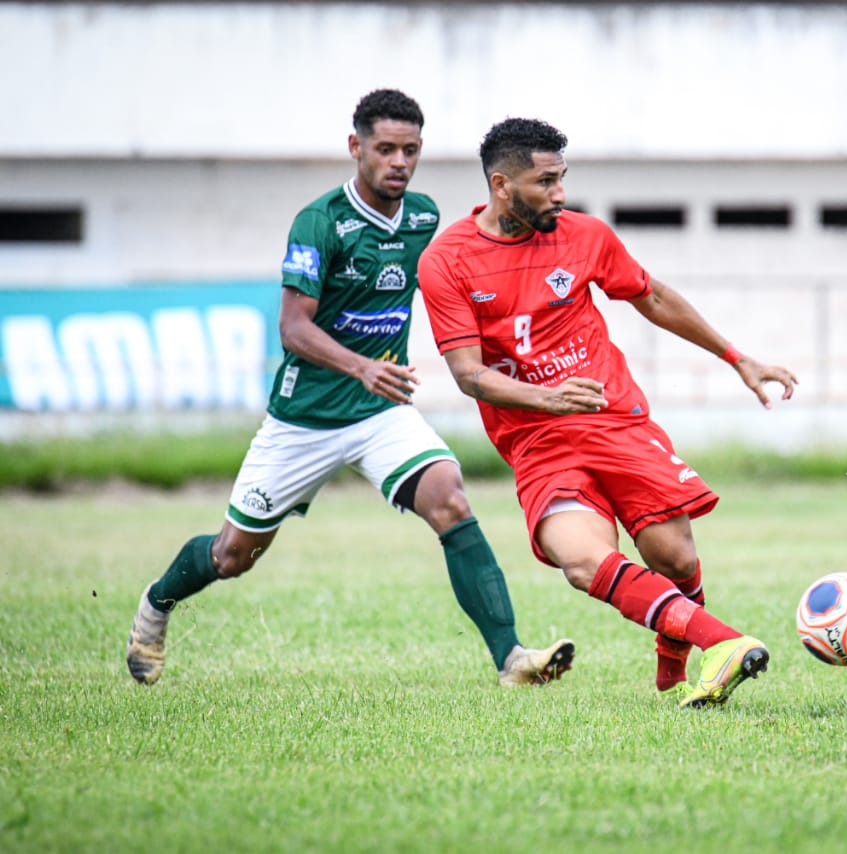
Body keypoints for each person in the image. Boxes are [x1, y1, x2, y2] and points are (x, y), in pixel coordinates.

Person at [126, 90, 573, 688]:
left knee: (450, 499)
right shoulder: (321, 222)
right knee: (231, 556)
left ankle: (511, 658)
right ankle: (155, 606)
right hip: (303, 420)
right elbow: (292, 327)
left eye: (410, 150)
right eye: (385, 148)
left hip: (380, 411)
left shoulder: (423, 218)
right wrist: (361, 365)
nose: (398, 162)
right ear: (355, 147)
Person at [417, 117, 798, 707]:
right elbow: (470, 375)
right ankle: (720, 643)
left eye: (562, 178)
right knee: (581, 560)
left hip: (615, 419)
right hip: (538, 442)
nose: (560, 193)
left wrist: (737, 358)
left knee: (674, 557)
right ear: (501, 185)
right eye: (545, 181)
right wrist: (550, 398)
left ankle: (674, 666)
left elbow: (654, 297)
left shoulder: (585, 235)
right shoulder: (447, 261)